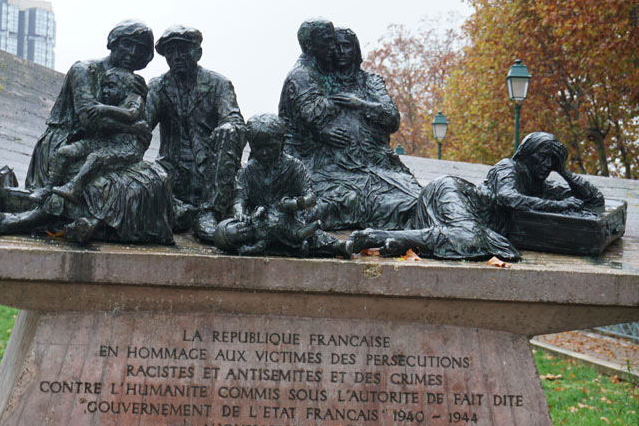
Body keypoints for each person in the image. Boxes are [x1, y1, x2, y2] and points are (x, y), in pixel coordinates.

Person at [0, 20, 174, 245]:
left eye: (141, 49)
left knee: (152, 181)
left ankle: (89, 226)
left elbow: (139, 124)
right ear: (113, 43)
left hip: (108, 145)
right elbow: (88, 119)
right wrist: (133, 126)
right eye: (127, 44)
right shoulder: (84, 70)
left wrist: (137, 121)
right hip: (66, 142)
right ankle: (36, 216)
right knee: (105, 184)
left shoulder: (135, 83)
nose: (133, 53)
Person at [347, 132, 605, 260]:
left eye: (552, 160)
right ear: (528, 154)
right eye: (542, 157)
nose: (546, 164)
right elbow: (507, 198)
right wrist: (557, 206)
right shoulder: (509, 167)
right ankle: (373, 236)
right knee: (468, 239)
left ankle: (402, 242)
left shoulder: (541, 185)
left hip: (470, 214)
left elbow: (595, 202)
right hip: (454, 192)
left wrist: (564, 171)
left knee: (468, 238)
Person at [278, 19, 422, 230]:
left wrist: (361, 104)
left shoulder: (370, 81)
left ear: (357, 50)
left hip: (375, 160)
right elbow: (307, 117)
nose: (340, 51)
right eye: (336, 45)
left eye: (347, 46)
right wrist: (322, 133)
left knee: (414, 196)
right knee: (370, 200)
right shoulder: (315, 78)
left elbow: (392, 118)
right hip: (332, 166)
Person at [146, 25, 246, 242]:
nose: (176, 56)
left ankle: (210, 211)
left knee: (230, 131)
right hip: (172, 170)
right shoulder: (157, 86)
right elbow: (142, 128)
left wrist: (228, 128)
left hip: (211, 171)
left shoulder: (219, 84)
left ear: (198, 53)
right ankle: (179, 212)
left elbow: (235, 121)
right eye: (170, 52)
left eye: (183, 50)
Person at [214, 113, 350, 258]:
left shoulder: (294, 166)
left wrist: (298, 204)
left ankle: (338, 246)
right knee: (239, 237)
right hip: (260, 226)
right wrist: (239, 212)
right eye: (258, 148)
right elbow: (239, 198)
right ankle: (294, 250)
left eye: (271, 147)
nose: (264, 153)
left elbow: (310, 196)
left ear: (283, 142)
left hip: (289, 221)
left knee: (310, 235)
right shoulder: (247, 172)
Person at [33, 66, 151, 203]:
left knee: (95, 158)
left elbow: (131, 114)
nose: (106, 91)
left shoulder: (134, 99)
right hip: (103, 142)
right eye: (104, 87)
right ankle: (48, 188)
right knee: (64, 152)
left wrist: (104, 109)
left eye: (111, 87)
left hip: (124, 147)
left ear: (124, 87)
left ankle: (74, 187)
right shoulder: (104, 103)